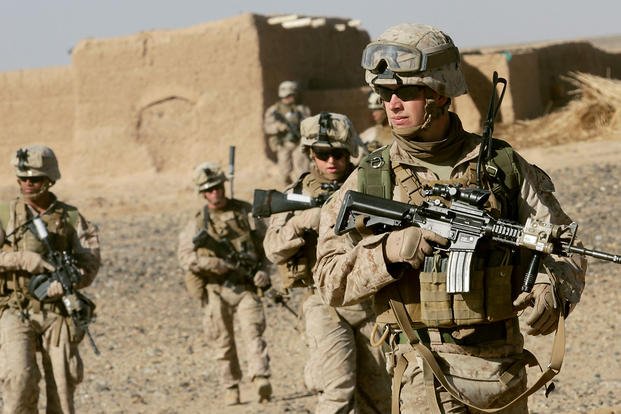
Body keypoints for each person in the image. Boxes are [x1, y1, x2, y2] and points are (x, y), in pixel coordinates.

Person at [313, 23, 588, 413]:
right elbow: (328, 280)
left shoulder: (501, 166)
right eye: (385, 92)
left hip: (502, 371)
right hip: (424, 369)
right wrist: (388, 251)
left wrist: (552, 286)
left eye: (407, 92)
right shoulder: (371, 178)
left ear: (441, 94)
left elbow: (564, 243)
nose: (392, 104)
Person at [263, 112, 391, 414]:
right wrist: (301, 224)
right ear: (311, 154)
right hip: (322, 303)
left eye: (338, 153)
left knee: (380, 398)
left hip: (367, 301)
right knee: (337, 392)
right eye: (322, 154)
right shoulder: (295, 196)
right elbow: (272, 249)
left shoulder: (369, 186)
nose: (330, 161)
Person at [0, 144, 101, 414]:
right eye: (22, 179)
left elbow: (90, 259)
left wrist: (71, 280)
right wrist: (20, 259)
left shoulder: (70, 217)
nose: (27, 184)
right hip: (15, 308)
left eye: (34, 179)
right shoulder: (5, 214)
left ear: (49, 180)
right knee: (19, 379)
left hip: (58, 310)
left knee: (63, 384)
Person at [177, 162, 272, 406]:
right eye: (209, 190)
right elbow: (185, 256)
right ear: (202, 194)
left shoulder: (245, 213)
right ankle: (231, 386)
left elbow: (269, 245)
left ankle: (260, 378)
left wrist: (263, 271)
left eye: (218, 187)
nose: (215, 193)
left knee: (254, 333)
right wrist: (210, 264)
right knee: (222, 342)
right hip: (216, 290)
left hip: (245, 286)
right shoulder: (198, 222)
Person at [263, 80, 312, 185]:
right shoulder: (273, 110)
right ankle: (286, 189)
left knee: (302, 168)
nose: (292, 97)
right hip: (283, 143)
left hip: (299, 142)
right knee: (284, 171)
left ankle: (302, 187)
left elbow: (309, 124)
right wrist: (278, 127)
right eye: (290, 95)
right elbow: (267, 127)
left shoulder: (301, 109)